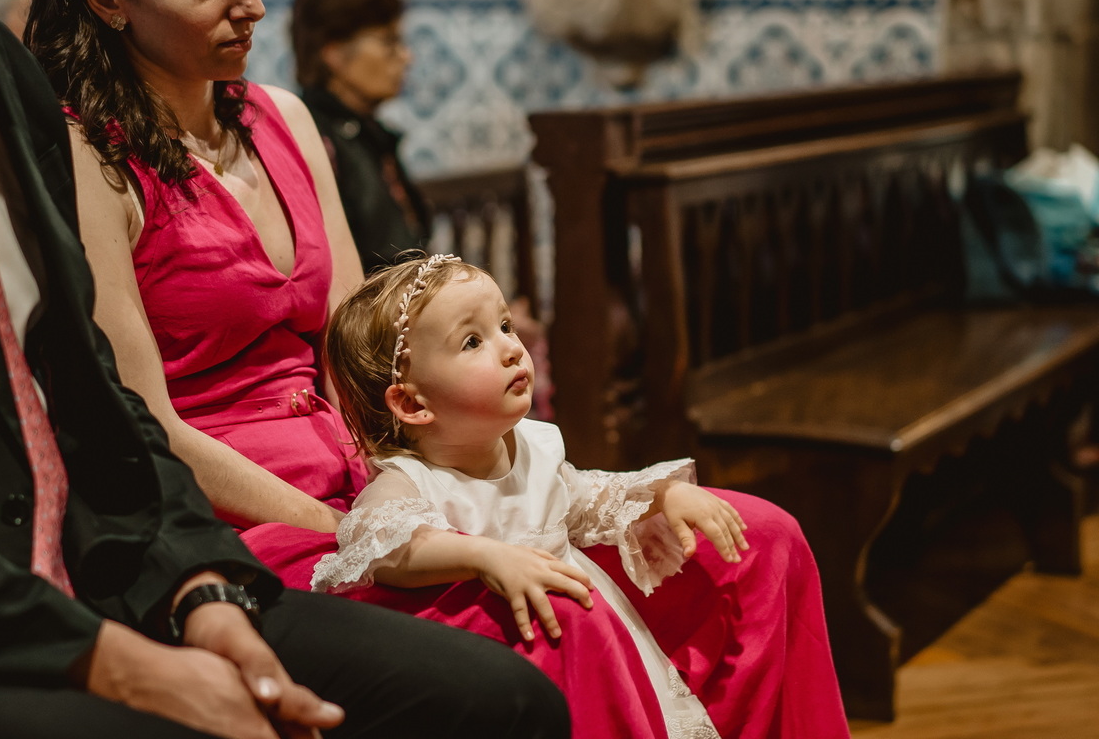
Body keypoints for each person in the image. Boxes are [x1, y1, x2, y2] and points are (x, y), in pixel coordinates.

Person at [0, 0, 571, 736]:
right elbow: (129, 413)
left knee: (565, 604)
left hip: (279, 507)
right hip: (141, 542)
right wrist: (129, 642)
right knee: (530, 646)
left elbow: (98, 396)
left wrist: (203, 585)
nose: (251, 2)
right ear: (110, 0)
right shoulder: (81, 138)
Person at [315, 254, 855, 739]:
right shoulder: (410, 479)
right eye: (472, 342)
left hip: (598, 645)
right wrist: (482, 555)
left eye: (504, 326)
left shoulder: (534, 446)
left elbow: (585, 496)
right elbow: (381, 542)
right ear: (413, 404)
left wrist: (661, 496)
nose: (511, 348)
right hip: (523, 656)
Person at [291, 0, 430, 273]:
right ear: (334, 53)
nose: (406, 57)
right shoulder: (312, 138)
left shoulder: (367, 134)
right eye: (389, 42)